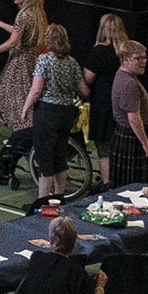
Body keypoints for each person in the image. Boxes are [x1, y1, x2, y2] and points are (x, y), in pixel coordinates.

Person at [21, 24, 89, 197]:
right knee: (60, 158)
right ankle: (59, 197)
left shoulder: (44, 60)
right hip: (67, 113)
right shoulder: (72, 62)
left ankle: (43, 201)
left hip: (47, 112)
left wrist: (25, 109)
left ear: (48, 40)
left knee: (45, 160)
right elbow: (84, 90)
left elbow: (36, 90)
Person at [14, 216, 108, 294]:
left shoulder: (37, 259)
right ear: (74, 242)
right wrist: (99, 288)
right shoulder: (77, 273)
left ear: (51, 239)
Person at [0, 0, 48, 131]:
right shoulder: (35, 13)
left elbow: (13, 41)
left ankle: (22, 130)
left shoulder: (23, 15)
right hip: (31, 58)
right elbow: (18, 30)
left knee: (15, 97)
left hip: (20, 61)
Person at [83, 14, 128, 187]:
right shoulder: (126, 52)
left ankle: (107, 183)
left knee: (104, 148)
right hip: (124, 103)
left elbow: (88, 78)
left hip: (103, 104)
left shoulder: (99, 51)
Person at [107, 40, 148, 189]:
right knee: (137, 186)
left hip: (131, 135)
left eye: (144, 57)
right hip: (133, 136)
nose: (143, 61)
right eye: (138, 58)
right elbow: (134, 118)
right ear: (126, 59)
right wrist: (145, 144)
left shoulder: (127, 77)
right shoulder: (128, 83)